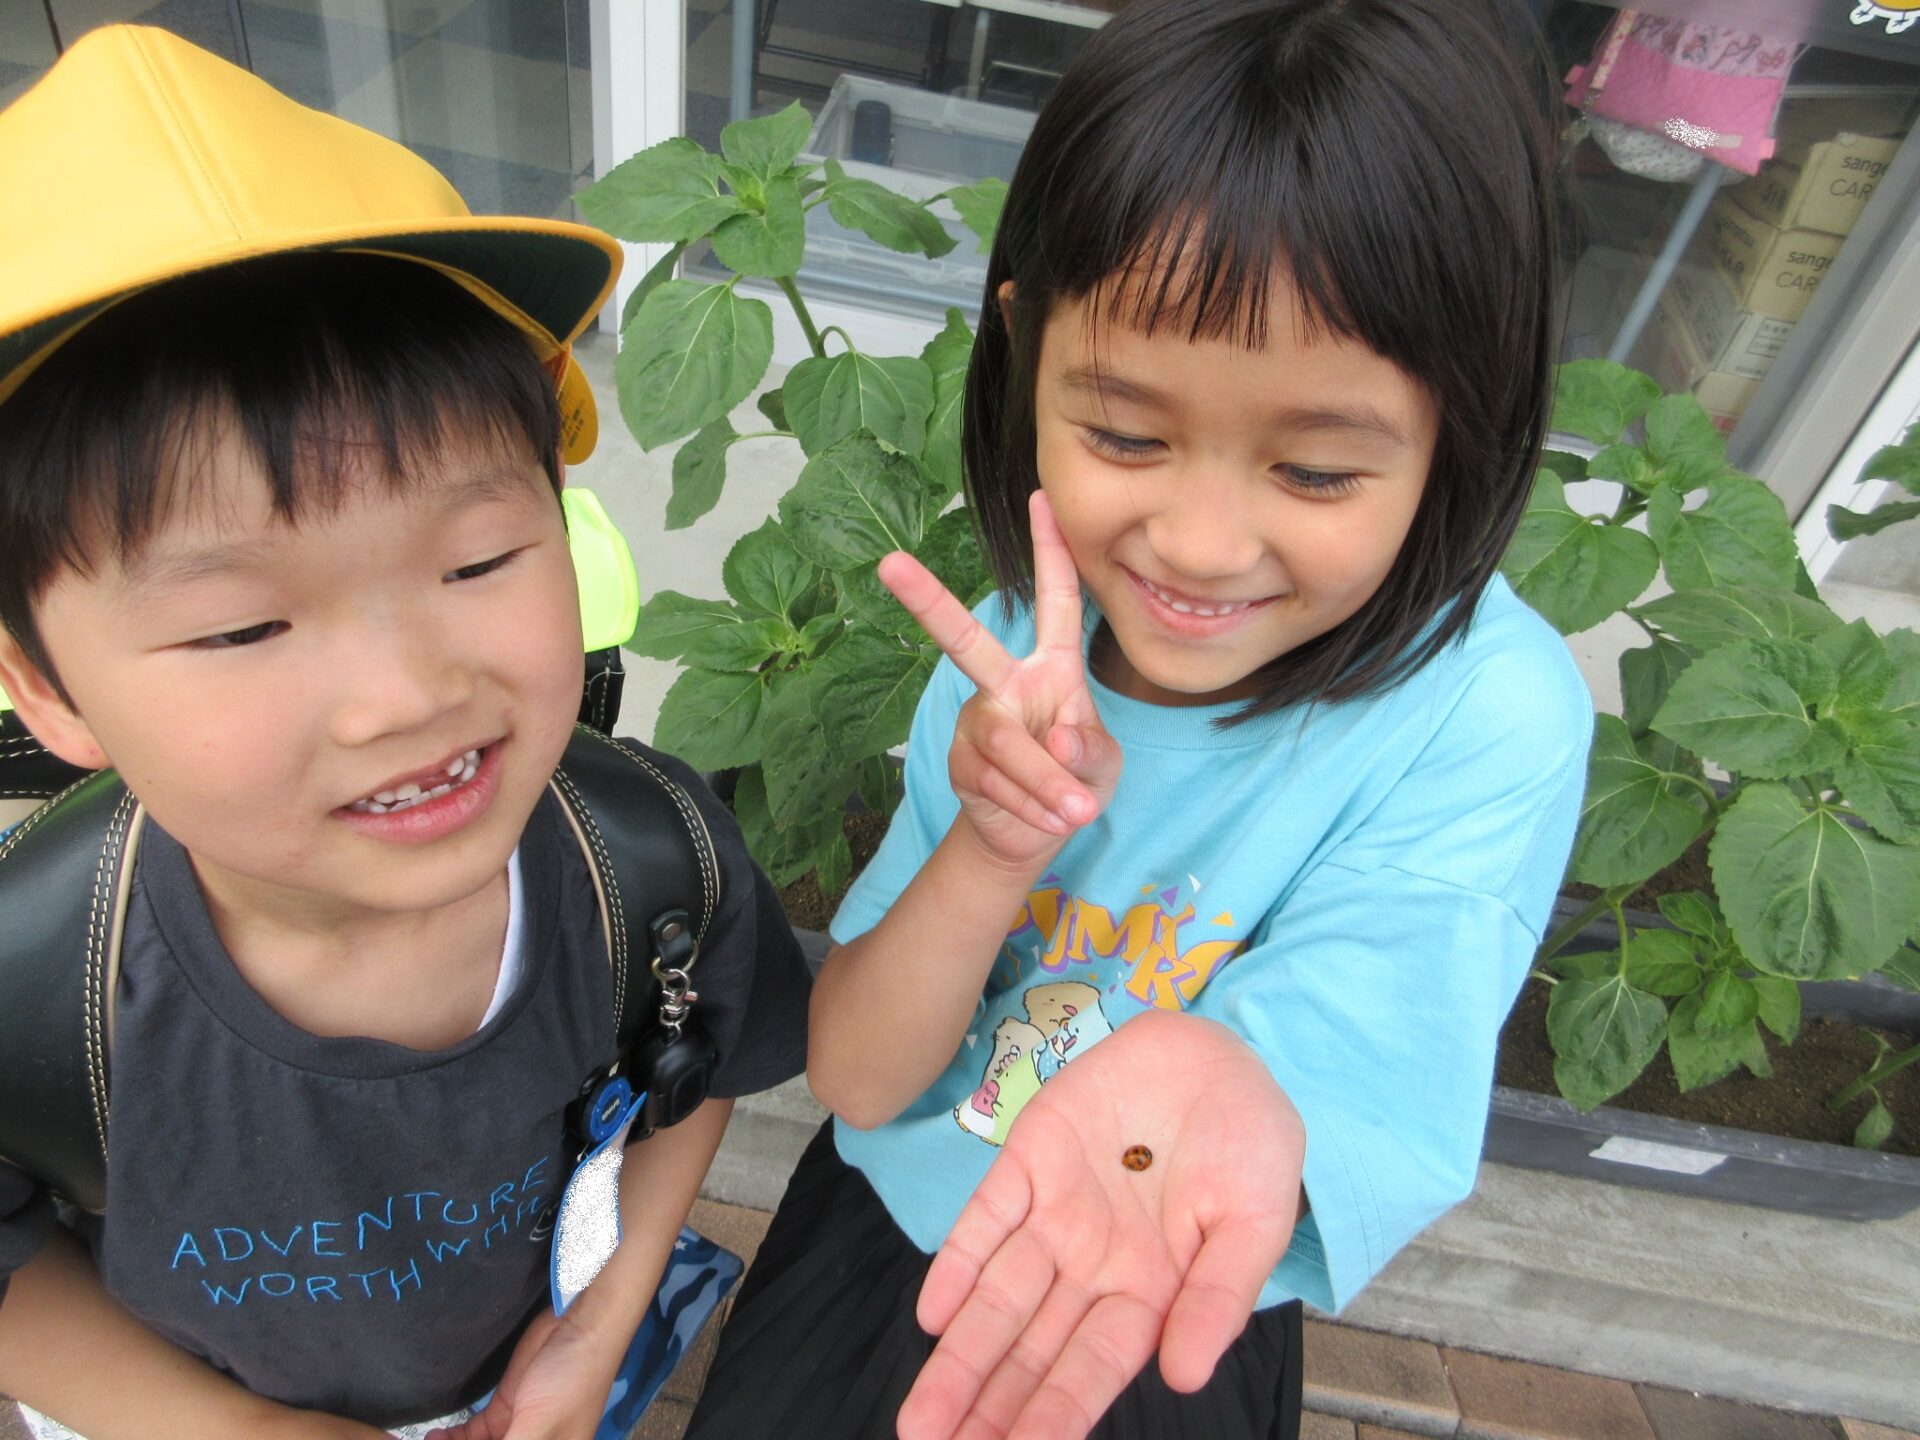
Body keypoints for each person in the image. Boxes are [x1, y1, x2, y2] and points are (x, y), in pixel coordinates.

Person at [684, 1, 1593, 1437]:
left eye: (1314, 472)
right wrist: (991, 845)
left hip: (1161, 1298)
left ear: (1460, 426)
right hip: (881, 1255)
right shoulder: (1008, 658)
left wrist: (1208, 1064)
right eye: (1123, 435)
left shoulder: (1482, 712)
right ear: (1022, 350)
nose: (1201, 543)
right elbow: (859, 1072)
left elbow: (1363, 1029)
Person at [0, 26, 809, 1440]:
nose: (405, 696)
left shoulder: (651, 860)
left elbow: (695, 1076)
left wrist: (600, 1321)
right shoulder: (30, 975)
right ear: (47, 689)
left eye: (477, 561)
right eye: (247, 627)